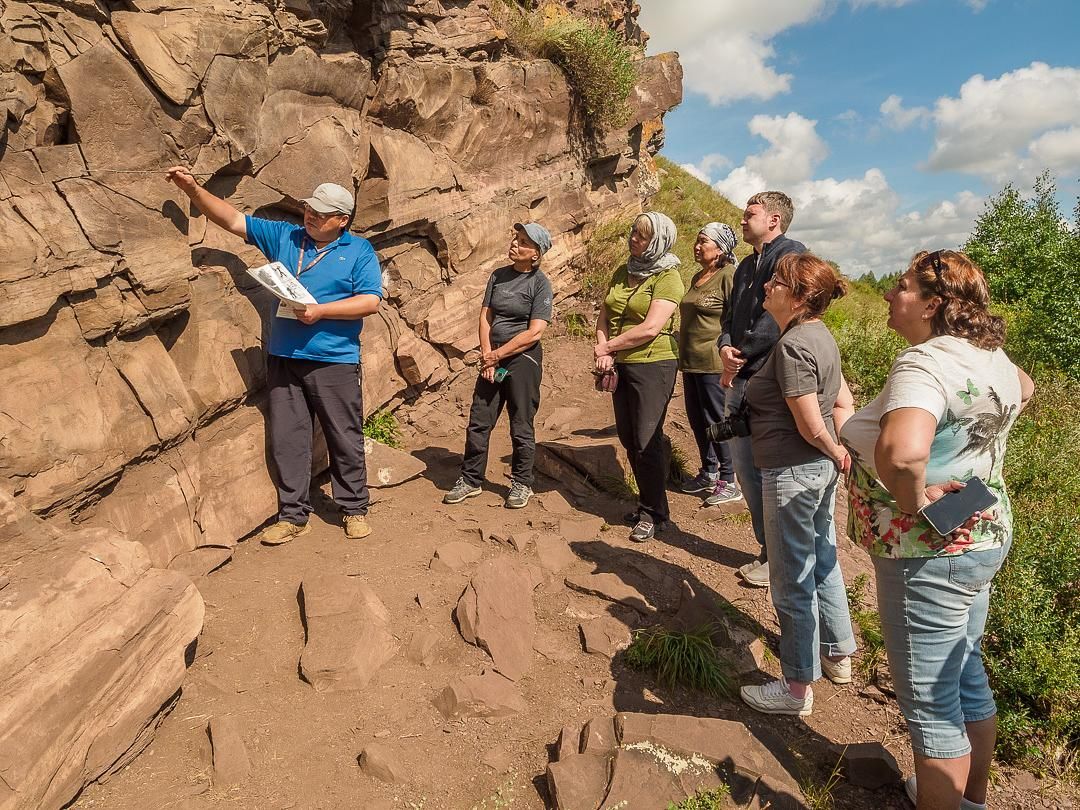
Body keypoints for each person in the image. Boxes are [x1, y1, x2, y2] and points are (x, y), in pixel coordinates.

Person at [840, 250, 1034, 810]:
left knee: (931, 704)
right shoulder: (989, 355)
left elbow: (902, 454)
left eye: (900, 286)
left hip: (928, 552)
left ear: (933, 304)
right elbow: (1024, 389)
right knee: (965, 671)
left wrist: (916, 500)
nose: (888, 294)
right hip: (984, 533)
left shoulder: (922, 365)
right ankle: (969, 800)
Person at [166, 167, 383, 544]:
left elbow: (370, 301)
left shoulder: (359, 250)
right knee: (288, 438)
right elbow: (232, 219)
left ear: (342, 220)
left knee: (342, 435)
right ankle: (293, 515)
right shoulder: (286, 236)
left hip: (335, 359)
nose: (310, 216)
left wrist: (321, 312)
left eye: (320, 213)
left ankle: (353, 508)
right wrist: (193, 189)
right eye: (309, 209)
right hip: (284, 355)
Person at [730, 252, 857, 717]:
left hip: (792, 472)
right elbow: (842, 397)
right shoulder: (817, 336)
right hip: (813, 471)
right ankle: (838, 654)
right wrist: (834, 451)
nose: (766, 288)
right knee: (823, 558)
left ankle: (796, 688)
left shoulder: (793, 345)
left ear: (800, 296)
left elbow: (808, 422)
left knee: (790, 580)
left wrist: (834, 448)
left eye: (776, 283)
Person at [720, 191, 807, 586]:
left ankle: (778, 558)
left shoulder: (790, 256)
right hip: (739, 376)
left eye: (749, 214)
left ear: (774, 219)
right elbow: (729, 315)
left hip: (768, 380)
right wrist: (725, 347)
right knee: (743, 465)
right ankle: (767, 550)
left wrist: (742, 353)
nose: (742, 219)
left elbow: (778, 319)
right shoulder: (745, 266)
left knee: (769, 469)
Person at [442, 223, 554, 509]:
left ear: (536, 254)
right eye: (516, 238)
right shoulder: (498, 276)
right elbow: (485, 317)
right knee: (480, 420)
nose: (515, 244)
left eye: (524, 242)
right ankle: (470, 480)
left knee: (520, 423)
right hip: (493, 358)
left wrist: (498, 355)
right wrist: (488, 354)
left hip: (523, 360)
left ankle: (521, 482)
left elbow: (535, 332)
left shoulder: (540, 283)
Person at [594, 212, 684, 542]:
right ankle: (648, 501)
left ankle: (653, 512)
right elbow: (605, 313)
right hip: (621, 362)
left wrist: (608, 349)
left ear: (658, 242)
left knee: (647, 438)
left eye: (642, 236)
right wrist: (602, 345)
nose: (634, 239)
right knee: (629, 436)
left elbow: (650, 328)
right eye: (633, 232)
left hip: (654, 363)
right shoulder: (623, 271)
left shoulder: (669, 277)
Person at [678, 222, 741, 505]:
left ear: (720, 249)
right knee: (696, 418)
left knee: (716, 419)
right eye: (697, 240)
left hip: (713, 361)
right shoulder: (697, 277)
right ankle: (709, 471)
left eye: (704, 241)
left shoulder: (729, 276)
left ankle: (729, 480)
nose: (697, 245)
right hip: (691, 361)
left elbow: (737, 317)